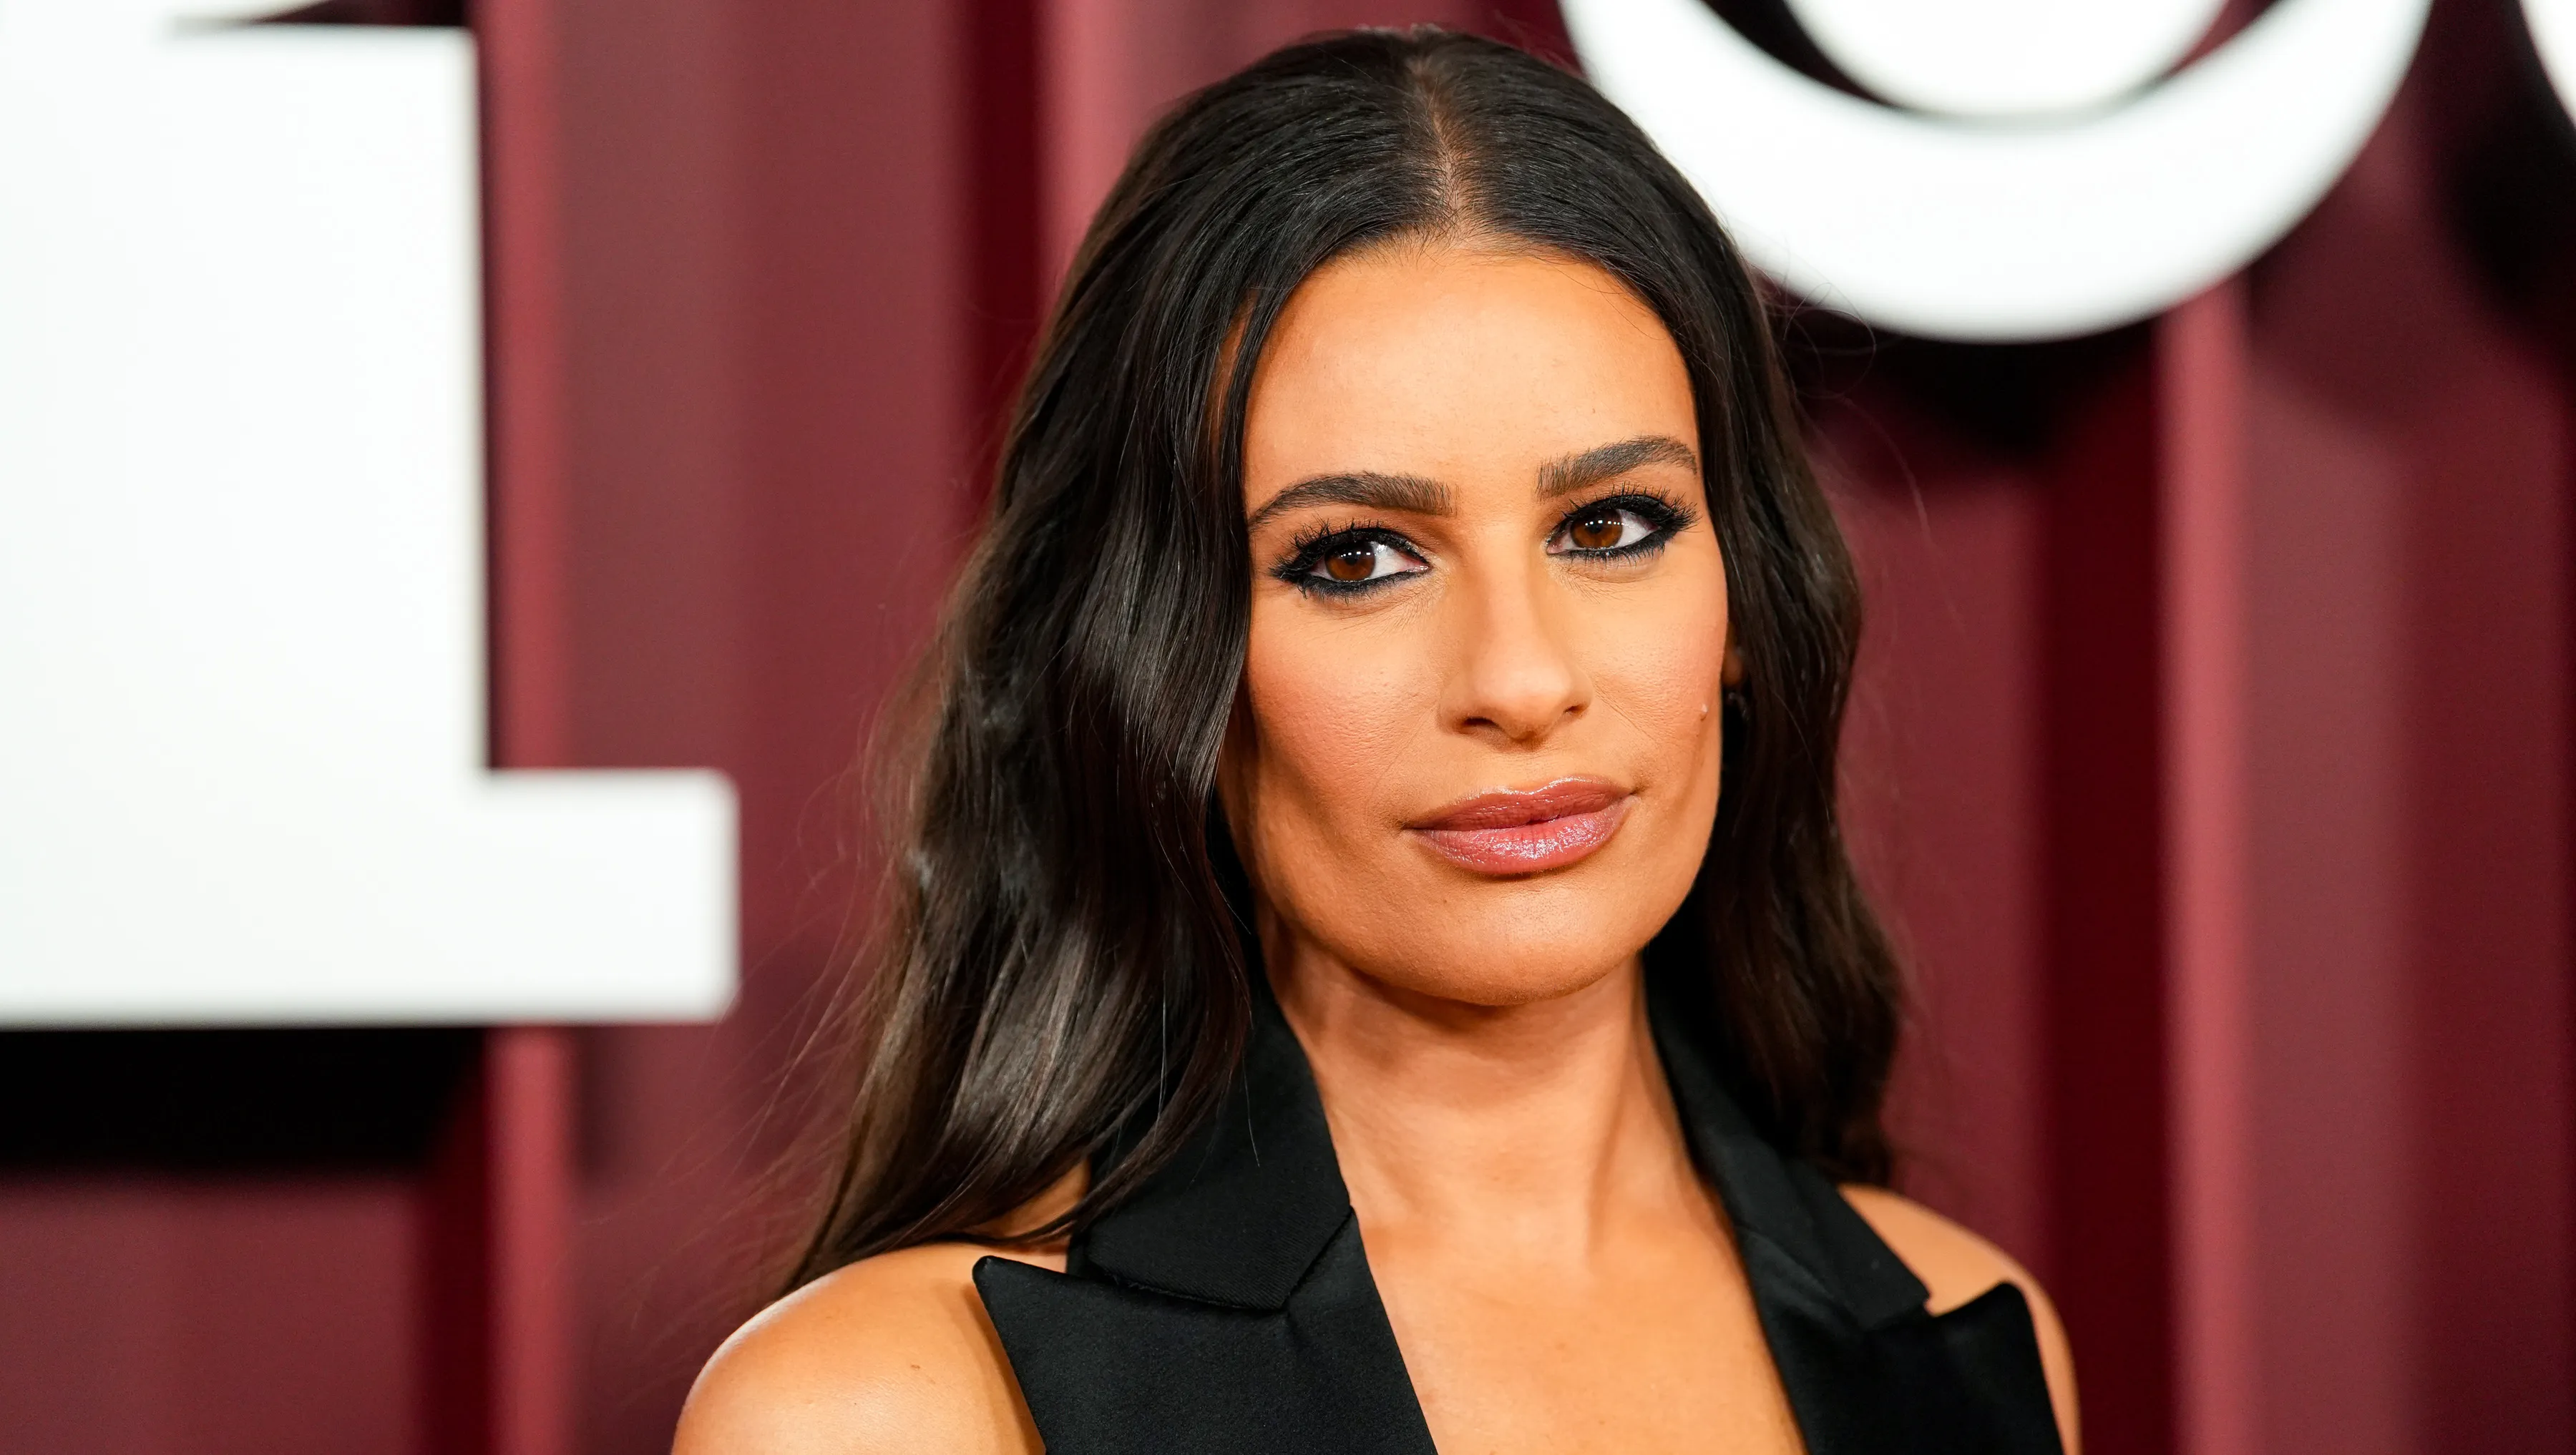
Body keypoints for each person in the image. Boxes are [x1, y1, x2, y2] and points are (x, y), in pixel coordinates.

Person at [674, 26, 2077, 1454]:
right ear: (1163, 660)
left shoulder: (1966, 1343)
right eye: (1355, 558)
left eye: (1610, 528)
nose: (1520, 680)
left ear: (1743, 607)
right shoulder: (884, 1407)